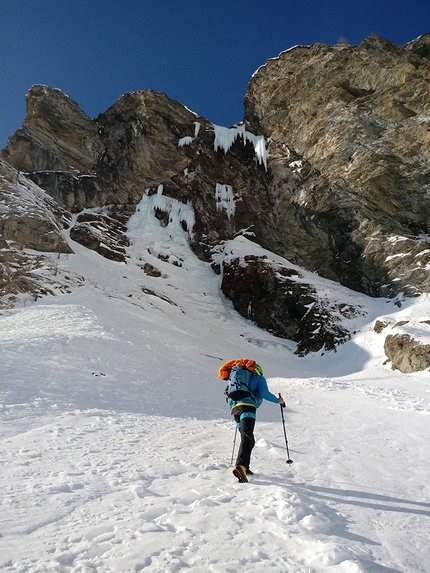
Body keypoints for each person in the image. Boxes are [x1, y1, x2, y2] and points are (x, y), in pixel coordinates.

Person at [219, 359, 285, 483]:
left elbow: (228, 398)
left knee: (248, 438)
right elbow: (264, 393)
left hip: (235, 410)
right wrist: (278, 400)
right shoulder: (258, 378)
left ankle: (245, 467)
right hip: (247, 408)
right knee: (247, 438)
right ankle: (240, 467)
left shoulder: (234, 381)